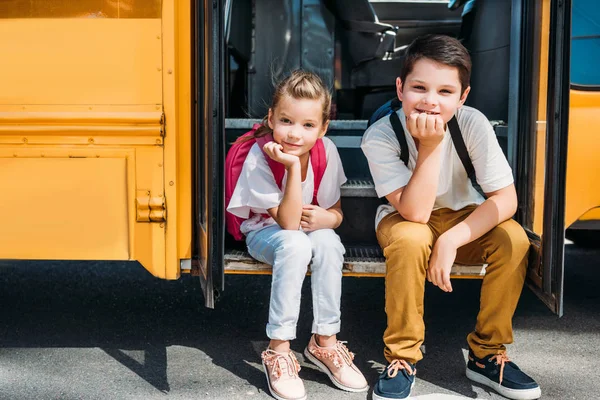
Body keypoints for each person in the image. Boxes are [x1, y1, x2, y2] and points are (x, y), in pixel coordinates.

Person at [361, 35, 541, 400]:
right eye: (419, 87)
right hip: (404, 218)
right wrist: (428, 148)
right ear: (400, 88)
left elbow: (506, 199)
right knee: (412, 238)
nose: (430, 100)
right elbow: (414, 212)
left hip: (462, 218)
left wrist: (451, 239)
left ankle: (487, 355)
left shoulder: (472, 123)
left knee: (514, 240)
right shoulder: (381, 135)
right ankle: (403, 357)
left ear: (462, 97)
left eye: (445, 91)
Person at [227, 70, 368, 400]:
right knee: (294, 245)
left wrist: (327, 218)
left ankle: (325, 342)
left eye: (308, 125)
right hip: (265, 233)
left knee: (330, 244)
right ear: (271, 118)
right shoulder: (259, 155)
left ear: (323, 128)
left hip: (305, 229)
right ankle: (278, 349)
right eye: (286, 121)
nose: (295, 133)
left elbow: (336, 214)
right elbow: (288, 224)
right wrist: (291, 167)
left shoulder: (326, 151)